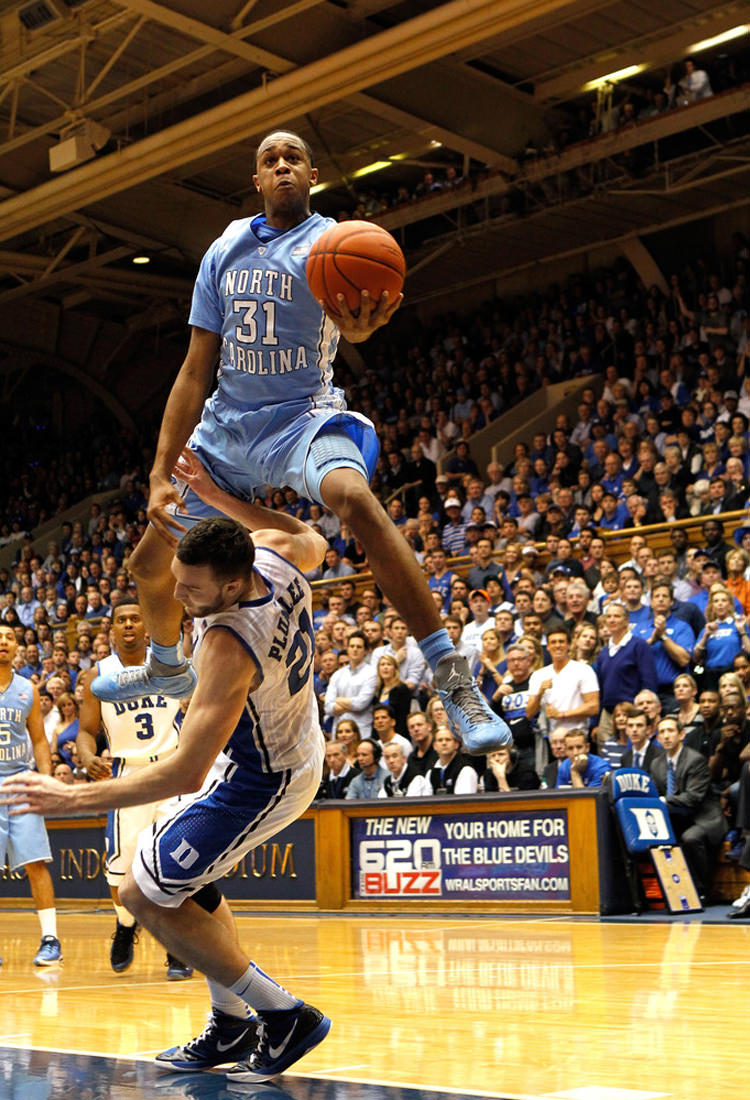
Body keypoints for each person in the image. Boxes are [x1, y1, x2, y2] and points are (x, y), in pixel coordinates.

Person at [91, 130, 511, 759]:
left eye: (293, 158)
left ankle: (452, 675)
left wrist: (362, 329)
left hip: (302, 418)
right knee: (148, 567)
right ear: (256, 180)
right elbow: (193, 368)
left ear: (312, 174)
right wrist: (158, 471)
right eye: (269, 160)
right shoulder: (224, 250)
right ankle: (167, 665)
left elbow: (355, 327)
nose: (282, 165)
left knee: (356, 499)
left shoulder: (334, 242)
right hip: (226, 428)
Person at [3, 470, 333, 1082]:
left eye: (193, 590)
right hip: (267, 749)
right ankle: (231, 1023)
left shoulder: (230, 647)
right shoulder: (276, 556)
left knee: (141, 894)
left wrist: (67, 795)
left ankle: (284, 1015)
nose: (179, 597)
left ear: (231, 586)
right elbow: (309, 533)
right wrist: (212, 496)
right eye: (179, 583)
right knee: (180, 881)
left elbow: (183, 772)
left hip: (265, 777)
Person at [76, 601, 192, 978]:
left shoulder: (169, 663)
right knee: (121, 869)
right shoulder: (99, 675)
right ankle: (126, 925)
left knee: (175, 861)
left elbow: (194, 709)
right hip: (127, 775)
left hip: (173, 772)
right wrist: (87, 756)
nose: (128, 625)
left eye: (135, 618)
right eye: (120, 620)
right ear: (111, 630)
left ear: (146, 627)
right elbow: (85, 731)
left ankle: (178, 947)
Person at [0, 623, 62, 967]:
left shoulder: (28, 689)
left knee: (35, 861)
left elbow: (39, 739)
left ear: (16, 647)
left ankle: (51, 939)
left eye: (8, 637)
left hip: (21, 780)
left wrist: (46, 780)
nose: (3, 643)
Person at [649, 715, 726, 901]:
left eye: (670, 731)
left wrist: (663, 801)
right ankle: (665, 892)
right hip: (675, 816)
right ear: (658, 738)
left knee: (690, 837)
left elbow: (693, 798)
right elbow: (655, 796)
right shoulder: (656, 763)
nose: (666, 736)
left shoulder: (695, 760)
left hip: (704, 817)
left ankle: (701, 890)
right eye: (662, 732)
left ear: (681, 734)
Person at [525, 626, 600, 733]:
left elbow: (593, 707)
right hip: (550, 737)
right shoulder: (538, 675)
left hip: (576, 734)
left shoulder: (584, 670)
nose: (557, 646)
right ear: (548, 646)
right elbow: (529, 713)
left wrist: (562, 714)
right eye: (553, 642)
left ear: (568, 645)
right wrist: (540, 692)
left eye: (561, 642)